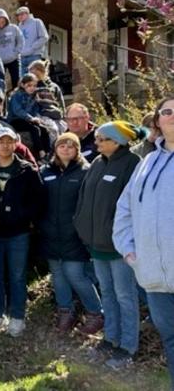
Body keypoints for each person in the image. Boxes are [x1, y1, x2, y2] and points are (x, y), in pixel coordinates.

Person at [74, 121, 145, 369]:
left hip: (119, 247)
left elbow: (135, 206)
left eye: (102, 138)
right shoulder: (96, 163)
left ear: (118, 141)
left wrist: (124, 237)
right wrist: (81, 225)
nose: (97, 142)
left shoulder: (132, 164)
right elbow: (83, 198)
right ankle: (111, 339)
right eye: (97, 138)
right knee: (107, 293)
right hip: (96, 245)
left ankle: (128, 347)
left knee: (125, 296)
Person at [114, 96, 174, 386]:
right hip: (154, 279)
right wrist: (129, 253)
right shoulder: (147, 163)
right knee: (172, 344)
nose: (173, 115)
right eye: (167, 111)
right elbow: (124, 210)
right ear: (158, 122)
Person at [0, 127, 44, 337]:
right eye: (1, 141)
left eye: (9, 141)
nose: (5, 145)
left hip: (18, 233)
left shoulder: (27, 170)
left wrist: (25, 218)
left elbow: (39, 200)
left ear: (16, 143)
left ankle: (17, 316)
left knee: (17, 276)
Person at [39, 133, 103, 334]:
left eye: (71, 146)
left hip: (75, 234)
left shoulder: (86, 171)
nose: (66, 149)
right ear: (55, 148)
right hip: (50, 233)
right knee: (58, 275)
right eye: (62, 145)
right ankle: (66, 311)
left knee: (76, 275)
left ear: (77, 149)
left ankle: (96, 313)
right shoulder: (44, 171)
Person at [7, 73, 52, 160]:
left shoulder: (34, 96)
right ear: (23, 85)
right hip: (16, 120)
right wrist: (30, 118)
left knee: (44, 129)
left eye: (34, 85)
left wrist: (37, 118)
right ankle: (41, 152)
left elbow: (35, 109)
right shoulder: (16, 96)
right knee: (34, 129)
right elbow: (17, 111)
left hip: (28, 119)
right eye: (29, 85)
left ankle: (48, 152)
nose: (32, 88)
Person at [0, 8, 23, 88]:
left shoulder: (14, 28)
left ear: (6, 19)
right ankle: (1, 97)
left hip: (14, 59)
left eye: (3, 21)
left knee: (16, 80)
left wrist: (16, 52)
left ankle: (16, 98)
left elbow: (20, 41)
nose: (1, 23)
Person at [30, 59, 66, 134]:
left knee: (64, 128)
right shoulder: (30, 87)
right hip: (41, 115)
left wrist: (62, 115)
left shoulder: (53, 87)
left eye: (36, 75)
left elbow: (61, 104)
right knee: (53, 129)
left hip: (55, 115)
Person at [15, 6, 49, 77]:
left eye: (22, 14)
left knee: (35, 79)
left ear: (27, 14)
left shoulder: (37, 22)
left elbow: (44, 37)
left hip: (34, 55)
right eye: (18, 15)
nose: (20, 16)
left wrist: (32, 47)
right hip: (22, 57)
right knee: (23, 82)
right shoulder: (18, 27)